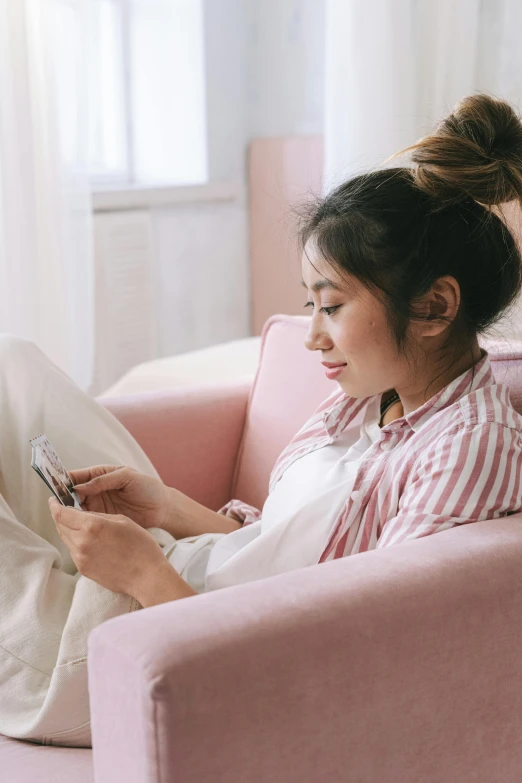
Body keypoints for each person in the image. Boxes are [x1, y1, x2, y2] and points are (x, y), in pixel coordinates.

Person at [2, 92, 522, 748]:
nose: (312, 337)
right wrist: (164, 507)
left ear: (434, 306)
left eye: (331, 307)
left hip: (136, 648)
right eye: (309, 304)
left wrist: (140, 574)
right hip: (176, 578)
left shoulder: (467, 447)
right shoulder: (373, 397)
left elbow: (347, 669)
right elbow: (283, 551)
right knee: (11, 365)